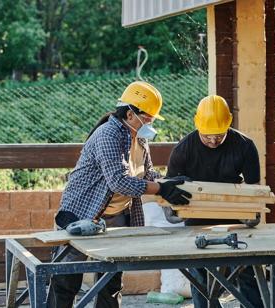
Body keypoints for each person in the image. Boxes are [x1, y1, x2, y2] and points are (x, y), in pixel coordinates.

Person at [47, 81, 191, 308]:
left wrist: (167, 182)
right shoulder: (108, 134)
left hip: (117, 214)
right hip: (81, 211)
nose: (150, 123)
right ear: (131, 113)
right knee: (66, 278)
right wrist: (162, 190)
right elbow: (119, 181)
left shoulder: (139, 137)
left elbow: (147, 172)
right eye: (148, 117)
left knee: (111, 279)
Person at [165, 95, 263, 308]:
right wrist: (173, 207)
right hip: (196, 216)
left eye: (218, 136)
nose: (213, 141)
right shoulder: (183, 149)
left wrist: (251, 212)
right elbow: (169, 187)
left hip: (235, 215)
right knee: (200, 273)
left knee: (245, 268)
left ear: (228, 123)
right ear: (197, 124)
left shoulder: (244, 146)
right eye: (207, 136)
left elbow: (255, 189)